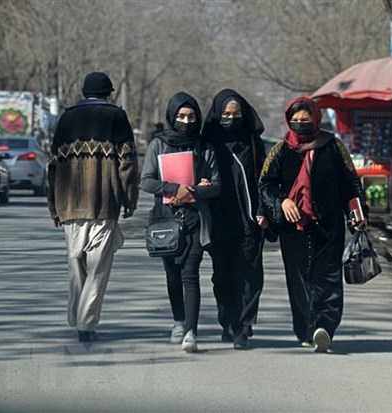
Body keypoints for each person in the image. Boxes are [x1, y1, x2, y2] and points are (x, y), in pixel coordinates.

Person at [258, 97, 367, 353]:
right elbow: (265, 184)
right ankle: (306, 330)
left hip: (328, 225)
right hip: (293, 227)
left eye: (305, 120)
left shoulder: (334, 147)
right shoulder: (280, 150)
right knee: (299, 280)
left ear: (316, 119)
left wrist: (358, 213)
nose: (300, 125)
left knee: (328, 278)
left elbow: (351, 183)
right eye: (295, 121)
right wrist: (282, 202)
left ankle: (325, 328)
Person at [47, 72, 139, 342]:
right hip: (104, 203)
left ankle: (76, 316)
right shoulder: (116, 117)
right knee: (98, 268)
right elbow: (128, 161)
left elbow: (53, 165)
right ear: (108, 93)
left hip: (69, 205)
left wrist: (53, 206)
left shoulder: (66, 118)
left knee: (76, 265)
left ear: (84, 91)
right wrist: (129, 197)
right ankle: (85, 324)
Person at [140, 92, 220, 353]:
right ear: (172, 117)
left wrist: (195, 191)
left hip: (197, 219)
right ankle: (178, 320)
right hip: (166, 220)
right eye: (181, 116)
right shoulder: (158, 144)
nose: (186, 121)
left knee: (190, 273)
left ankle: (191, 331)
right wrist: (175, 189)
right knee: (172, 275)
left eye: (192, 116)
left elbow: (217, 185)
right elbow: (147, 181)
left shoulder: (204, 146)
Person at [202, 89, 268, 350]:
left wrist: (264, 210)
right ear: (218, 115)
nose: (231, 118)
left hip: (249, 219)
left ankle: (243, 325)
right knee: (222, 276)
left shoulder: (252, 142)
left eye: (237, 113)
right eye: (226, 114)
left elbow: (265, 180)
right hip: (218, 219)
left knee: (250, 275)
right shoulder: (207, 143)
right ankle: (227, 321)